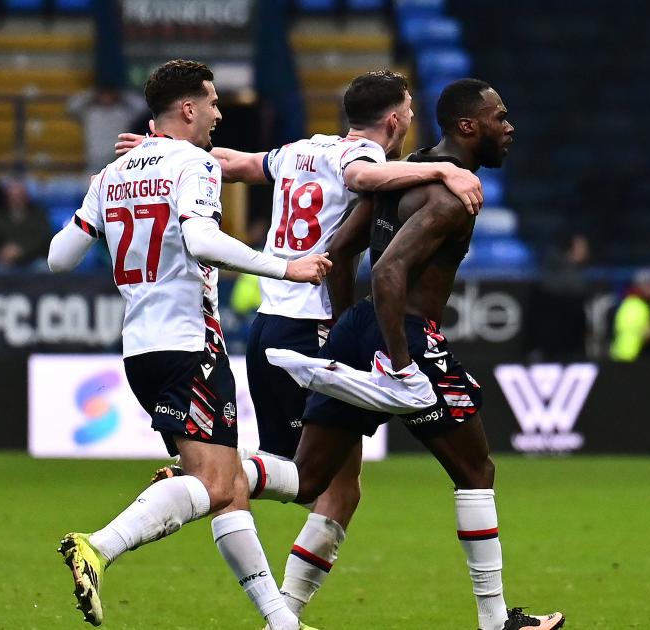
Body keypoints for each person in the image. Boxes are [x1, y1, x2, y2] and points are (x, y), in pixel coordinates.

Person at [114, 70, 485, 625]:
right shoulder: (359, 156)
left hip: (270, 325)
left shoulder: (301, 149)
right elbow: (362, 176)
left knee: (342, 486)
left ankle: (280, 603)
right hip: (313, 328)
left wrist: (162, 153)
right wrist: (443, 167)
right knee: (310, 479)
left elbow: (238, 164)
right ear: (394, 119)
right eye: (408, 110)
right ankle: (213, 482)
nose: (411, 119)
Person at [268, 78, 564, 630]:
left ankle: (274, 607)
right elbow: (388, 271)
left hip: (358, 329)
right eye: (500, 117)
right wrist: (401, 362)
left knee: (308, 481)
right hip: (401, 335)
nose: (509, 127)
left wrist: (342, 330)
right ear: (468, 125)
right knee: (475, 470)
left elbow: (339, 250)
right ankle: (497, 621)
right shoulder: (452, 194)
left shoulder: (407, 167)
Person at [47, 59, 331, 630]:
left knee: (226, 491)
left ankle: (283, 621)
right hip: (189, 343)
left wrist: (102, 208)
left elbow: (59, 257)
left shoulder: (111, 175)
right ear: (187, 108)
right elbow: (201, 241)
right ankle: (98, 546)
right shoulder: (195, 164)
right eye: (213, 101)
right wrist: (287, 269)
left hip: (139, 352)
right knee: (215, 483)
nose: (219, 112)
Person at [527, 232, 591, 362]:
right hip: (561, 347)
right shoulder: (571, 279)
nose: (587, 251)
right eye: (583, 247)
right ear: (572, 248)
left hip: (548, 346)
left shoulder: (548, 272)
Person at [68, 85, 149, 174]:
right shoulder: (90, 112)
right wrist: (92, 93)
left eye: (110, 93)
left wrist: (122, 94)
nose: (106, 97)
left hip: (118, 163)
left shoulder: (124, 113)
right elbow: (72, 106)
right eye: (103, 93)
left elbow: (143, 107)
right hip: (94, 164)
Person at [0, 178, 52, 269]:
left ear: (26, 197)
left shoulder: (39, 215)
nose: (16, 199)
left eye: (19, 195)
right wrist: (1, 252)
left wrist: (21, 250)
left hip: (33, 258)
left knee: (42, 267)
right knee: (0, 268)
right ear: (6, 197)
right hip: (4, 259)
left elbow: (44, 239)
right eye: (12, 196)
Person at [609, 268, 650, 361]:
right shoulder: (638, 306)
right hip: (632, 357)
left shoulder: (629, 302)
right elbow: (647, 334)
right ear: (643, 285)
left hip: (620, 355)